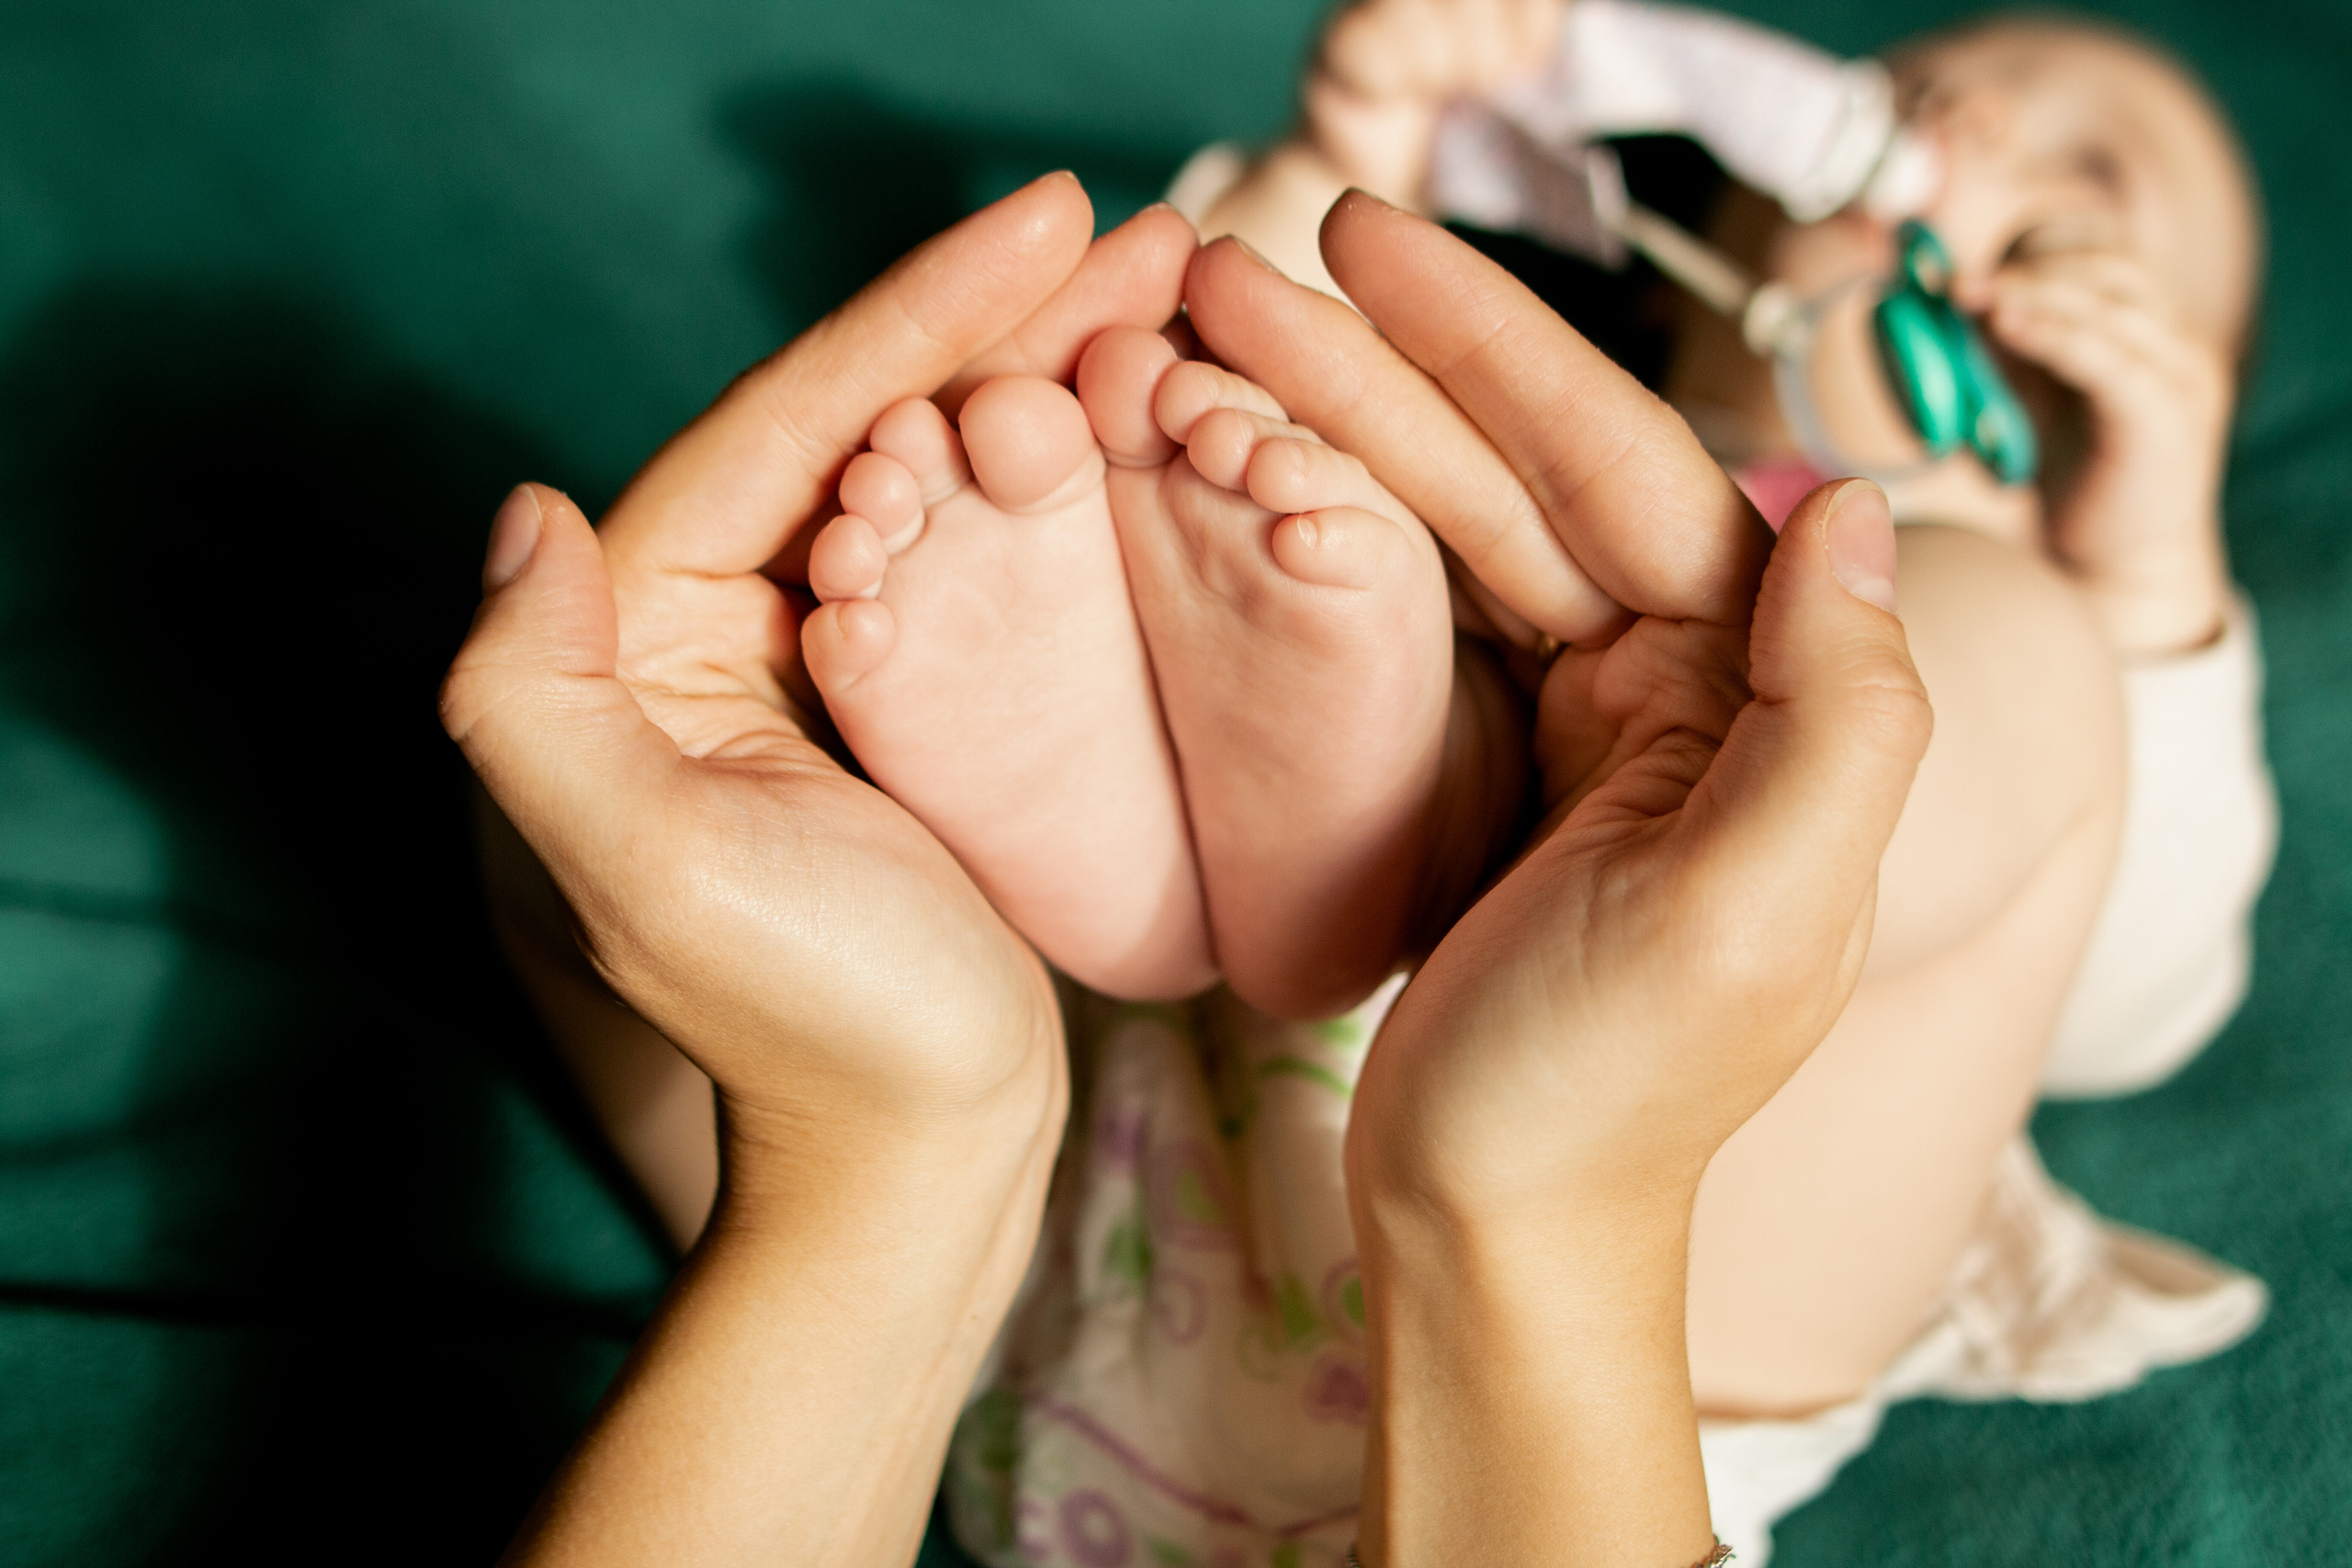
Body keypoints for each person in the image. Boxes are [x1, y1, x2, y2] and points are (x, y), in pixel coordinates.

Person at [445, 171, 1933, 1564]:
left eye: (2107, 191)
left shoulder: (2041, 553)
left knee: (624, 764)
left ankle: (1447, 808)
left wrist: (878, 1148)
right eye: (1933, 110)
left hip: (1048, 1340)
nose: (1980, 201)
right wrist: (1544, 1207)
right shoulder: (1593, 469)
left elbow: (2171, 949)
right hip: (1609, 1390)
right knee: (1946, 695)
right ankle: (1438, 813)